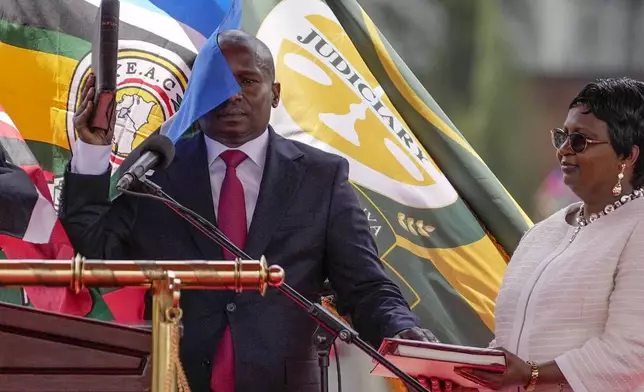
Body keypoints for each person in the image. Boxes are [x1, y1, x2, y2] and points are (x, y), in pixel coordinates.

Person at [59, 30, 437, 392]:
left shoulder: (322, 177)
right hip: (173, 380)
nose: (231, 96)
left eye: (247, 81)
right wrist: (92, 152)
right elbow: (97, 253)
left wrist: (404, 333)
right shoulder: (158, 169)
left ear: (274, 94)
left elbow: (366, 287)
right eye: (217, 84)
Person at [447, 78, 644, 392]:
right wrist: (477, 375)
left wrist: (533, 374)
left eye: (580, 141)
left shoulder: (639, 227)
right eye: (562, 136)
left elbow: (632, 354)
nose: (564, 149)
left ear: (627, 156)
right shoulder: (543, 233)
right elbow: (515, 339)